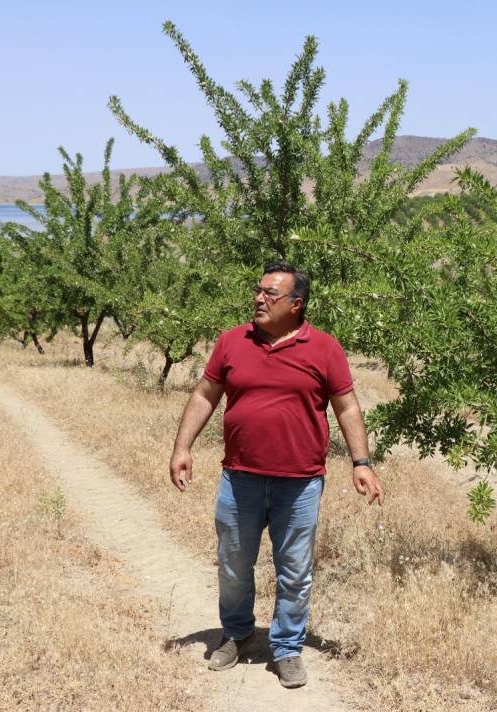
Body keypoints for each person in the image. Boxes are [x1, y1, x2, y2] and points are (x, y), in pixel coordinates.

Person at [167, 262, 384, 689]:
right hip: (239, 478)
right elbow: (205, 394)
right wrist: (182, 447)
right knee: (233, 564)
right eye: (258, 290)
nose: (259, 299)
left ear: (296, 304)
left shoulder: (324, 348)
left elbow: (347, 407)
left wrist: (361, 462)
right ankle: (238, 632)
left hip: (300, 483)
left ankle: (286, 648)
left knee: (294, 570)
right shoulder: (232, 341)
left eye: (270, 293)